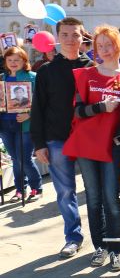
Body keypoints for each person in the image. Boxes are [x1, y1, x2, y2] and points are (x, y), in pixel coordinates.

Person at [65, 25, 120, 271]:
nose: (104, 49)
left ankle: (115, 250)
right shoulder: (85, 75)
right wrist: (102, 107)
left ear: (118, 46)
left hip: (113, 146)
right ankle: (99, 247)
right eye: (99, 45)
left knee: (112, 200)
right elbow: (78, 111)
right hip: (87, 145)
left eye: (109, 44)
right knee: (93, 199)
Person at [30, 17, 93, 259]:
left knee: (96, 192)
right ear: (57, 38)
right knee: (66, 191)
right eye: (64, 35)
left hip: (89, 140)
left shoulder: (93, 68)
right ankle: (73, 237)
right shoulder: (47, 71)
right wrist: (39, 144)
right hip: (57, 139)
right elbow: (38, 108)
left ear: (82, 37)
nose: (70, 39)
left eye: (75, 34)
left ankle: (104, 237)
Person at [0, 47, 43, 203]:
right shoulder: (1, 79)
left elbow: (42, 102)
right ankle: (20, 189)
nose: (13, 63)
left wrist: (29, 115)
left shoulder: (33, 77)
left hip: (25, 125)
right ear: (5, 61)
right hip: (5, 125)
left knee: (24, 159)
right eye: (10, 60)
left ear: (24, 61)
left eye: (17, 60)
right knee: (15, 159)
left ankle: (36, 187)